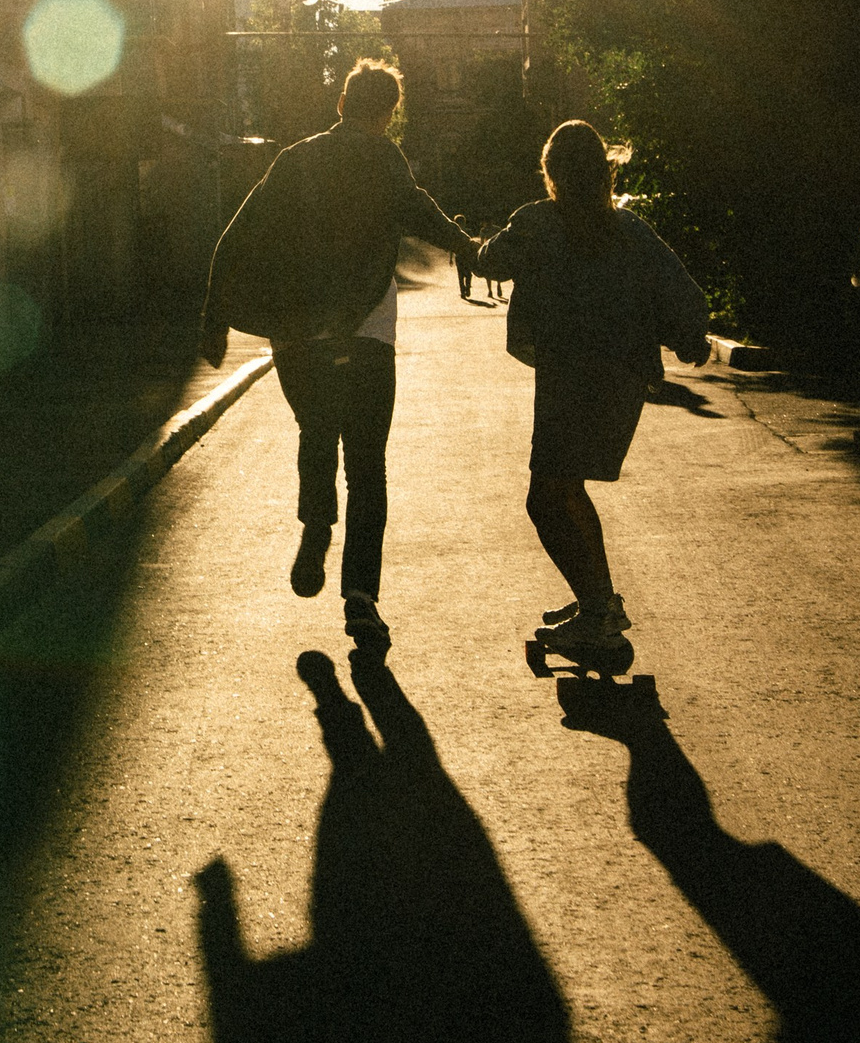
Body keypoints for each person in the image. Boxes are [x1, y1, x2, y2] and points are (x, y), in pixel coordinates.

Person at [198, 61, 477, 652]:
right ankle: (361, 599)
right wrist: (469, 246)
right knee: (368, 466)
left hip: (299, 334)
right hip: (368, 333)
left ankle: (315, 525)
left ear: (343, 101)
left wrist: (214, 317)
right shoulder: (384, 159)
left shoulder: (295, 160)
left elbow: (237, 234)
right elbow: (420, 210)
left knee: (316, 431)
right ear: (388, 112)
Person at [474, 121, 709, 658]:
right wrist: (688, 338)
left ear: (551, 174)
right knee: (567, 489)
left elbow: (489, 260)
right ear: (605, 173)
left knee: (546, 497)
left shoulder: (537, 223)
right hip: (622, 381)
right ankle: (597, 603)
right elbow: (684, 296)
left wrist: (471, 241)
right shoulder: (631, 230)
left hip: (570, 377)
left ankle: (598, 614)